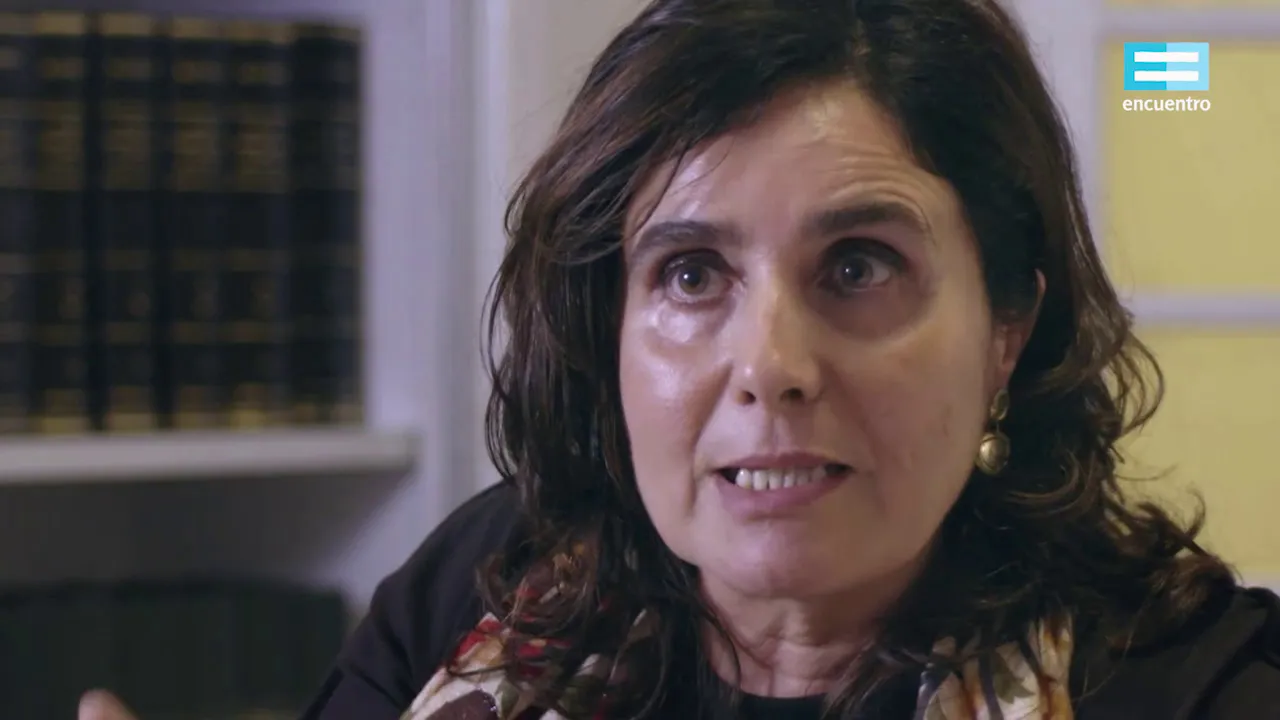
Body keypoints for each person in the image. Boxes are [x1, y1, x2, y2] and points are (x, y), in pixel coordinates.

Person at [83, 0, 1280, 719]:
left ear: (1005, 328)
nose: (770, 365)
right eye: (692, 275)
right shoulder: (487, 589)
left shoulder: (1196, 683)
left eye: (858, 266)